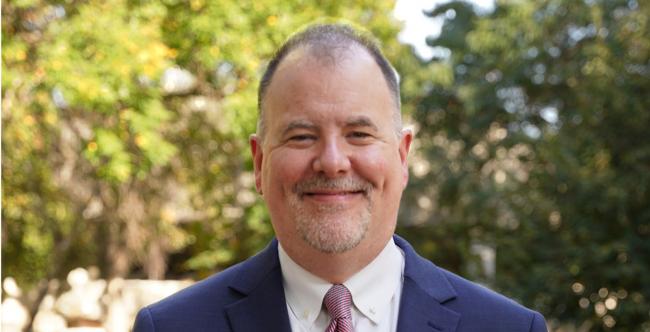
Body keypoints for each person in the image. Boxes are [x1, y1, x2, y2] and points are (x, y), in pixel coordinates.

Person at [133, 23, 547, 332]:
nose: (332, 162)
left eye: (359, 134)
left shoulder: (508, 327)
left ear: (402, 157)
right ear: (259, 163)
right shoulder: (171, 327)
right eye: (301, 136)